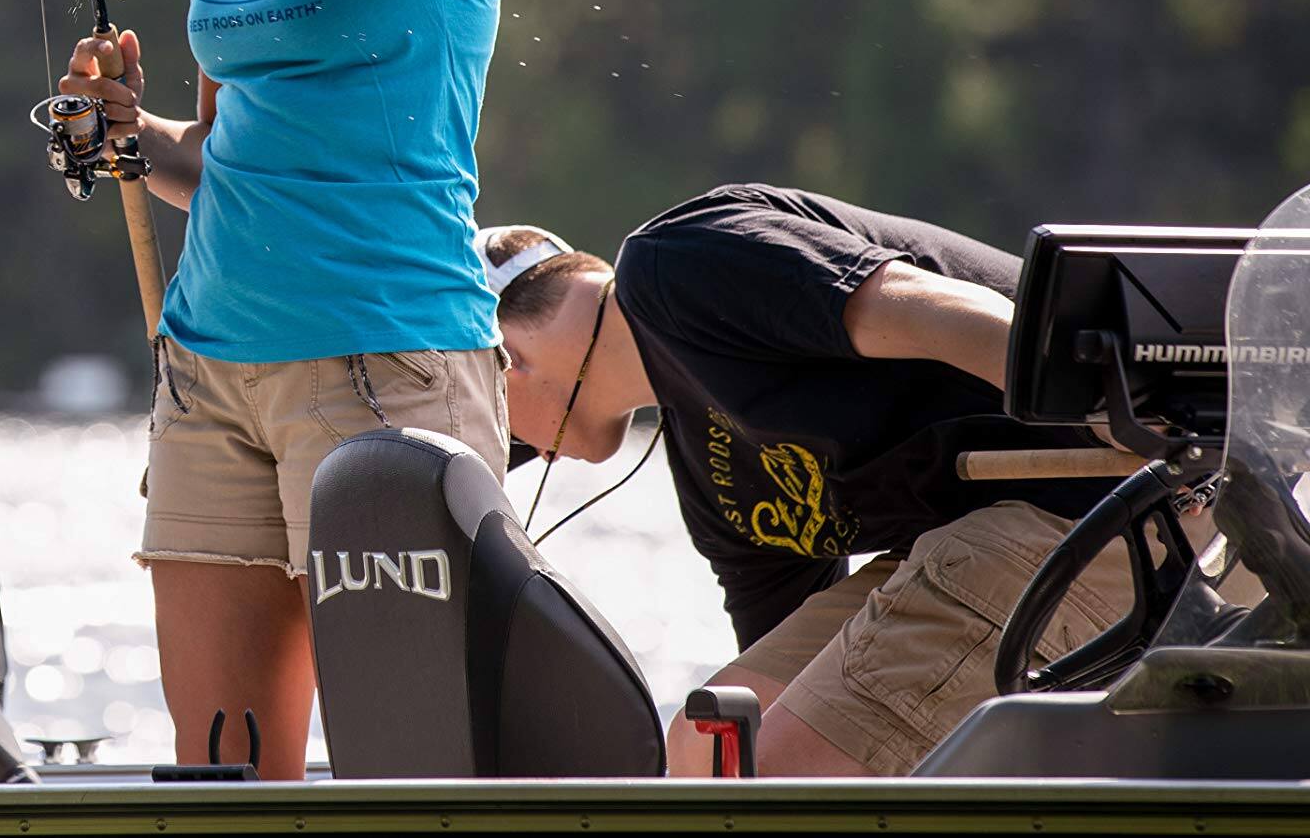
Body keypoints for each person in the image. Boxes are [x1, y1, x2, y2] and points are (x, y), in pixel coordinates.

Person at [53, 0, 515, 778]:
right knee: (222, 771)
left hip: (382, 364)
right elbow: (218, 157)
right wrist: (128, 138)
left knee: (420, 771)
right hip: (209, 373)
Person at [490, 184, 1163, 777]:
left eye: (509, 437)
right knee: (715, 745)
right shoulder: (709, 479)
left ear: (503, 356)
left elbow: (930, 305)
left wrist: (1108, 411)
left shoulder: (674, 263)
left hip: (1109, 496)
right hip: (990, 540)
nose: (534, 455)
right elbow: (791, 687)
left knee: (780, 774)